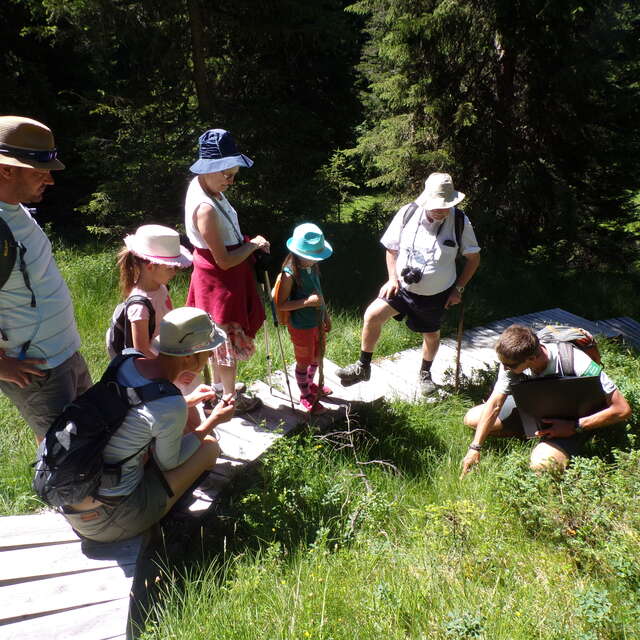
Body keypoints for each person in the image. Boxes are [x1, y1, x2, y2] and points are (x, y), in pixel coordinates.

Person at [61, 307, 235, 543]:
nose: (209, 358)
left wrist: (185, 401)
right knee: (209, 447)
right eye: (206, 352)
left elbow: (128, 407)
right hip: (110, 519)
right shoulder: (168, 405)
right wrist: (213, 420)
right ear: (188, 356)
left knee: (164, 438)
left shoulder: (127, 361)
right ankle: (171, 516)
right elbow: (169, 463)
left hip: (72, 500)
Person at [336, 173, 481, 395]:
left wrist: (458, 289)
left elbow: (474, 258)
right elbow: (391, 248)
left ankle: (425, 373)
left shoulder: (460, 221)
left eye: (446, 205)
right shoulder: (408, 212)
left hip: (437, 294)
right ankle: (363, 367)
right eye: (436, 206)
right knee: (372, 316)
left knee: (431, 335)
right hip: (402, 287)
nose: (441, 210)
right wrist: (392, 278)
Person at [0, 115, 92, 443]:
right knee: (68, 461)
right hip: (38, 369)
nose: (50, 181)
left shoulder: (14, 208)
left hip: (64, 354)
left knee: (89, 439)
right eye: (40, 173)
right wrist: (2, 366)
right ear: (6, 170)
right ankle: (63, 496)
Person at [460, 324, 632, 476]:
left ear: (532, 359)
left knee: (541, 465)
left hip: (573, 420)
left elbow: (622, 409)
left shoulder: (577, 361)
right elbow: (495, 404)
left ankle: (575, 439)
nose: (504, 368)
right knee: (472, 419)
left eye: (510, 366)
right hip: (536, 410)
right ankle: (532, 432)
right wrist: (475, 448)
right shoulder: (511, 361)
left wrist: (575, 427)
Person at [184, 128, 268, 413]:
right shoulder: (205, 208)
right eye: (226, 174)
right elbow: (223, 260)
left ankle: (220, 392)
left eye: (234, 174)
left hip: (221, 278)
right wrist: (253, 245)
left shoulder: (206, 186)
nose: (231, 181)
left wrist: (246, 246)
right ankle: (229, 402)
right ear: (209, 169)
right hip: (219, 280)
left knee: (218, 341)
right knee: (225, 342)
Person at [273, 223, 333, 413]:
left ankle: (310, 385)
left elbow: (319, 294)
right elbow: (281, 304)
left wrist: (326, 316)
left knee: (317, 355)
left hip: (316, 321)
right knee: (304, 360)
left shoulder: (312, 266)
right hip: (301, 325)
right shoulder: (289, 274)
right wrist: (307, 302)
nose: (315, 260)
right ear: (298, 253)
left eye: (317, 257)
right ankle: (304, 395)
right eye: (311, 257)